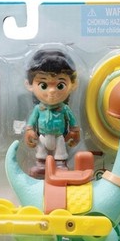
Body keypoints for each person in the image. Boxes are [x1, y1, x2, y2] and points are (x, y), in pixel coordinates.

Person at [24, 49, 80, 178]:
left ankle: (60, 165)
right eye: (44, 85)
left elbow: (73, 123)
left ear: (73, 85)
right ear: (29, 85)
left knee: (60, 151)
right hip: (42, 136)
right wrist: (29, 131)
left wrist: (74, 132)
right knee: (41, 151)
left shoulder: (64, 109)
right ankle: (41, 165)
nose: (52, 91)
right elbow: (31, 123)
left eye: (60, 85)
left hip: (59, 137)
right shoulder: (38, 109)